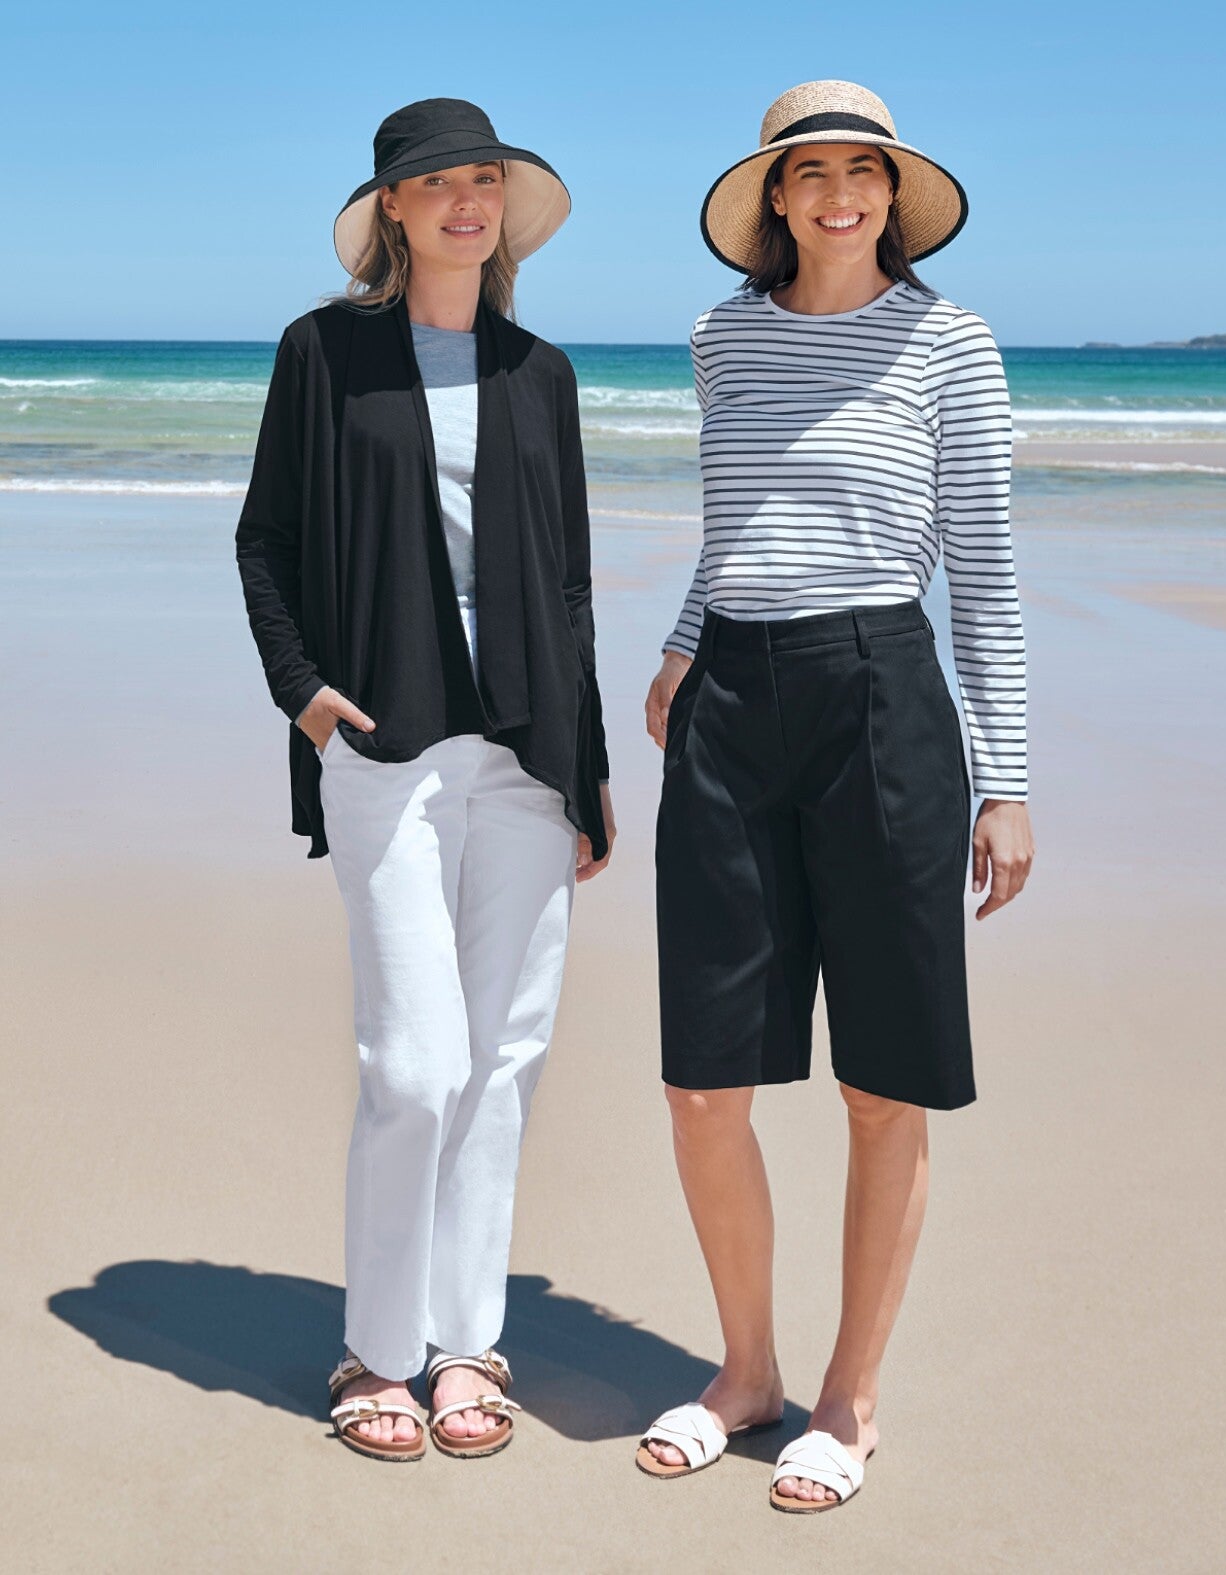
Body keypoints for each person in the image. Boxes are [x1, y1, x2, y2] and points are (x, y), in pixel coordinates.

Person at [638, 80, 1034, 1511]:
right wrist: (688, 638)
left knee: (882, 1083)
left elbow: (980, 569)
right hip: (732, 702)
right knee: (702, 1082)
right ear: (776, 199)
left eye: (863, 172)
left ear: (893, 195)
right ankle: (746, 1373)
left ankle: (849, 1399)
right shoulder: (721, 339)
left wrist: (1010, 779)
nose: (840, 196)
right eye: (813, 173)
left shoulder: (952, 344)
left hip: (883, 695)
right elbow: (737, 516)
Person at [235, 97, 614, 1463]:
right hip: (383, 748)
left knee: (503, 1061)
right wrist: (304, 696)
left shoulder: (540, 373)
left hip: (528, 764)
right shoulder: (323, 354)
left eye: (483, 180)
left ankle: (466, 1349)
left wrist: (592, 778)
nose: (465, 199)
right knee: (416, 1061)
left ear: (505, 206)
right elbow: (264, 541)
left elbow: (567, 588)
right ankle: (374, 1353)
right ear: (389, 207)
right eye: (435, 181)